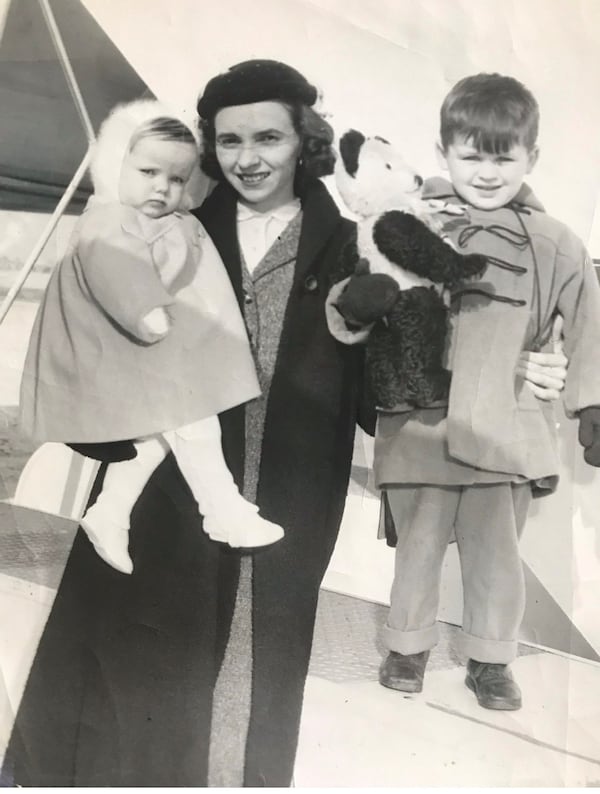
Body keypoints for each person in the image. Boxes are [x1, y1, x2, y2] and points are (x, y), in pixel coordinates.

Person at [1, 63, 568, 788]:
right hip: (163, 489)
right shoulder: (167, 223)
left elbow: (403, 375)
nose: (249, 158)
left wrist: (516, 372)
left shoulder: (356, 242)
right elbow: (90, 330)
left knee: (250, 673)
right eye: (230, 140)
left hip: (292, 488)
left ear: (306, 137)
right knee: (131, 667)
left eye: (268, 136)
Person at [348, 73, 600, 711]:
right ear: (442, 153)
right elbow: (355, 296)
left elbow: (592, 321)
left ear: (530, 158)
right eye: (470, 155)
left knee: (497, 557)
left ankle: (491, 660)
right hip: (419, 423)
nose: (486, 172)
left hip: (505, 425)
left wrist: (592, 400)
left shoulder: (555, 242)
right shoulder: (402, 219)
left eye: (503, 157)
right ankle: (407, 646)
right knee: (419, 548)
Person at [19, 99, 283, 575]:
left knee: (157, 438)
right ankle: (221, 509)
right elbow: (116, 269)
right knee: (195, 425)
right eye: (148, 172)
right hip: (130, 344)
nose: (162, 187)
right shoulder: (110, 219)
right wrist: (145, 311)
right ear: (117, 164)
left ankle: (110, 511)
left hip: (159, 353)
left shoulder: (172, 223)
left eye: (177, 179)